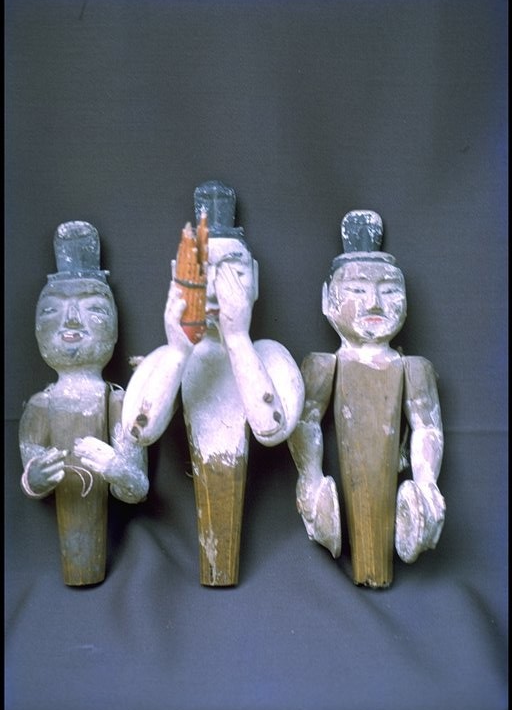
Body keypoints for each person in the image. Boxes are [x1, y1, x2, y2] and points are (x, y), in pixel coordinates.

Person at [122, 181, 305, 586]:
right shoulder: (168, 359)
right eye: (202, 272)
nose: (218, 290)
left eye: (234, 274)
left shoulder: (268, 356)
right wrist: (178, 352)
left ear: (254, 279)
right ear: (178, 277)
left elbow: (270, 428)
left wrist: (238, 339)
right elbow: (138, 430)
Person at [287, 210, 445, 588]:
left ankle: (399, 536)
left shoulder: (414, 368)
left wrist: (426, 481)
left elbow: (427, 428)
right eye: (357, 290)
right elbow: (304, 421)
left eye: (389, 291)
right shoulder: (323, 365)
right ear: (328, 300)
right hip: (341, 495)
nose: (374, 304)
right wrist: (311, 476)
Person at [19, 221, 148, 586]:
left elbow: (136, 488)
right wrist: (36, 478)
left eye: (94, 309)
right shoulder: (40, 406)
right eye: (52, 310)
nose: (72, 321)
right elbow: (30, 478)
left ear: (115, 329)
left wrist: (116, 467)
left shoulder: (118, 401)